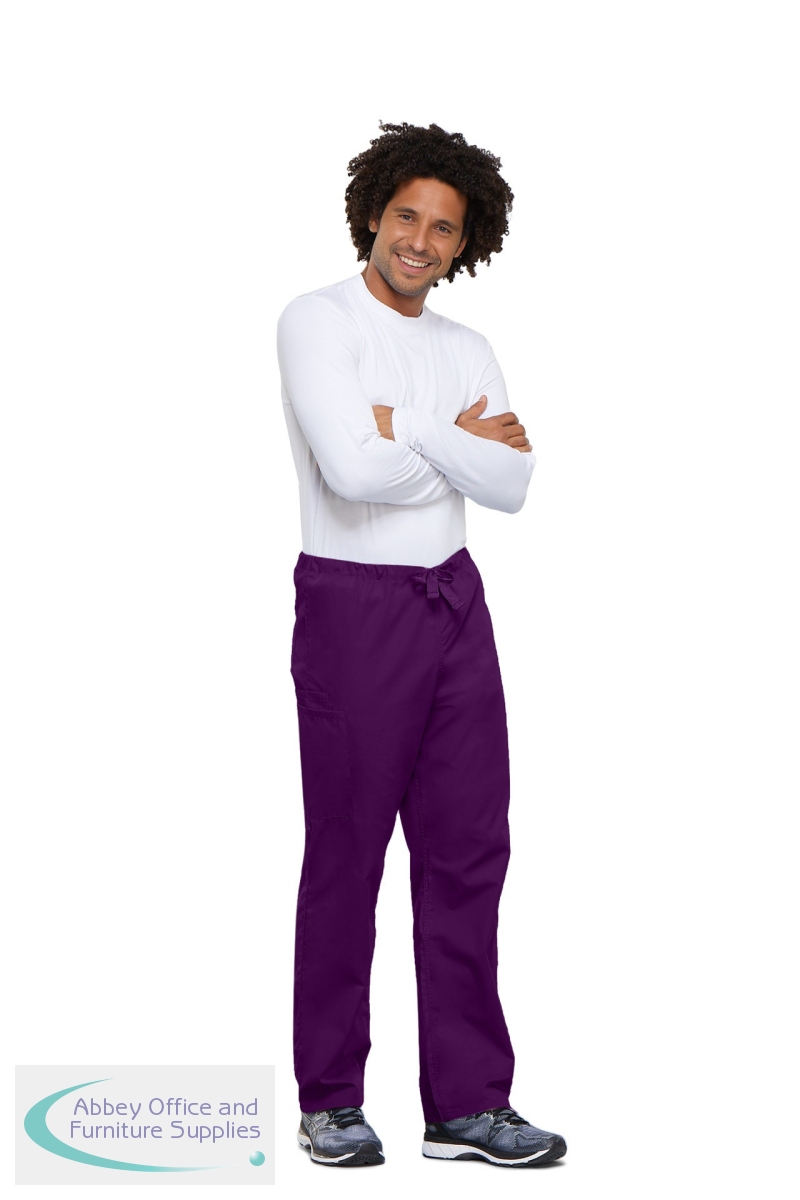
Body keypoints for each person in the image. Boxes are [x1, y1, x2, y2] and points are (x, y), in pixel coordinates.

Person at [277, 121, 567, 1170]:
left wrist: (396, 423)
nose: (420, 241)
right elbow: (349, 473)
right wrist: (453, 440)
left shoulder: (467, 348)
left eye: (443, 228)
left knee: (468, 852)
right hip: (354, 608)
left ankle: (466, 1107)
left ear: (464, 242)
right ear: (371, 214)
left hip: (454, 603)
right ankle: (330, 1101)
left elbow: (513, 484)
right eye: (406, 216)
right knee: (348, 853)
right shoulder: (317, 322)